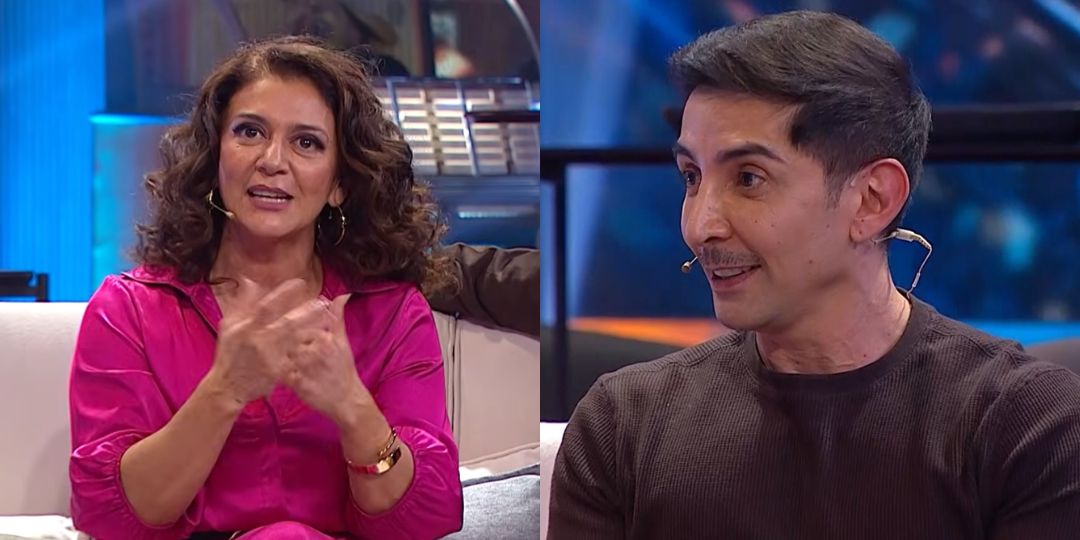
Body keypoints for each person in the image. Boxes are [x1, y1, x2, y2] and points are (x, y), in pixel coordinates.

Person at [548, 11, 1080, 539]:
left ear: (872, 200)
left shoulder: (1028, 429)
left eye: (749, 178)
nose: (699, 226)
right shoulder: (621, 426)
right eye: (692, 176)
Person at [69, 36, 463, 539]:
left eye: (307, 142)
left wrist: (351, 405)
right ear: (216, 156)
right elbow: (110, 517)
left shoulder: (393, 314)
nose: (272, 160)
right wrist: (225, 389)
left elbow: (427, 519)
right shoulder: (128, 311)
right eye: (250, 132)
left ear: (339, 183)